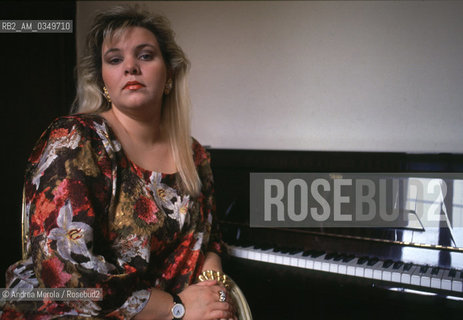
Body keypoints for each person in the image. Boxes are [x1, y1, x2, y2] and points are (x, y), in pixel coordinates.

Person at [1, 5, 236, 320]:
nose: (130, 67)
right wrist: (177, 307)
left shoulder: (194, 154)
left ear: (169, 74)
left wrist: (212, 285)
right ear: (102, 82)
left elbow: (210, 238)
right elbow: (65, 272)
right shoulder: (75, 139)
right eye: (115, 59)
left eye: (145, 55)